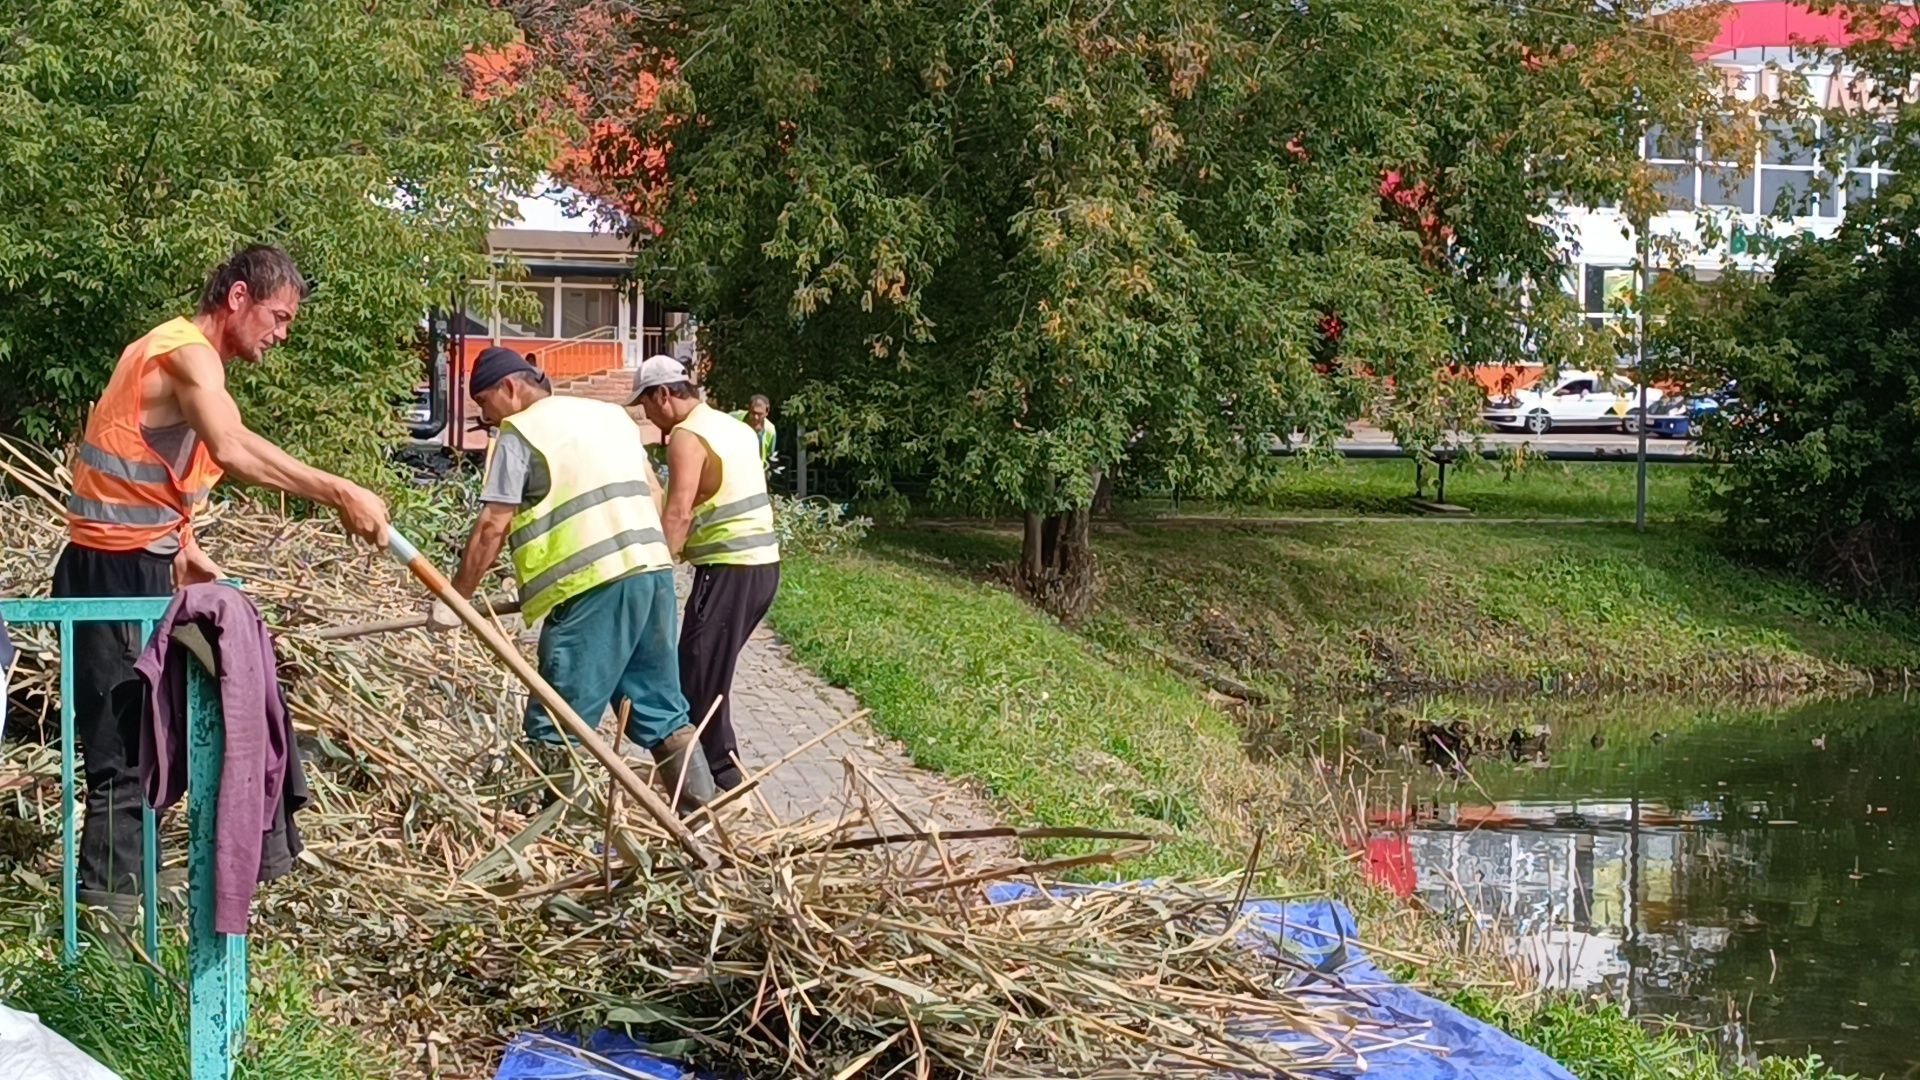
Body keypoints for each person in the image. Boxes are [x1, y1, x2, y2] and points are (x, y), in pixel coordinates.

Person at [56, 244, 390, 918]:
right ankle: (106, 956)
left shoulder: (199, 367)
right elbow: (234, 450)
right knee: (123, 766)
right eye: (278, 315)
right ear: (237, 298)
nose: (282, 332)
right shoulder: (183, 351)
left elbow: (160, 469)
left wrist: (184, 543)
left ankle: (138, 919)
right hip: (110, 577)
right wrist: (340, 491)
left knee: (153, 754)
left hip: (142, 567)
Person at [428, 347, 714, 811]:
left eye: (485, 404)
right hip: (653, 575)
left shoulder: (521, 432)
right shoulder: (608, 418)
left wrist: (454, 597)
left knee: (559, 719)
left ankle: (557, 839)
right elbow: (654, 490)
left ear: (510, 388)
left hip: (593, 590)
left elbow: (492, 525)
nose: (487, 418)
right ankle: (703, 818)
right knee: (661, 707)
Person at [629, 356, 780, 791]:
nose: (650, 418)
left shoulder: (687, 436)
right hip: (761, 567)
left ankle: (721, 778)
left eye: (648, 407)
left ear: (664, 395)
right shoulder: (731, 426)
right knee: (705, 669)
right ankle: (713, 773)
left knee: (697, 676)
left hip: (730, 567)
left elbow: (678, 512)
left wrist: (653, 573)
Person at [729, 394, 777, 470]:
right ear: (749, 409)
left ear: (767, 412)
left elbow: (769, 455)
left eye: (759, 414)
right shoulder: (733, 418)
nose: (756, 417)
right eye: (753, 412)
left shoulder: (770, 430)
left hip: (756, 471)